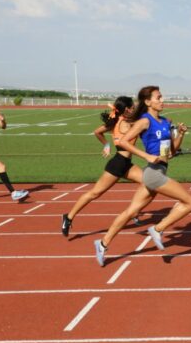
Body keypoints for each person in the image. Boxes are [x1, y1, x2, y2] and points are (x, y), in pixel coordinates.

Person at [94, 85, 191, 267]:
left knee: (131, 212)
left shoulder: (166, 121)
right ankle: (158, 229)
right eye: (158, 98)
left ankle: (102, 243)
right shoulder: (144, 121)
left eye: (162, 97)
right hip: (152, 174)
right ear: (148, 102)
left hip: (159, 170)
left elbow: (172, 152)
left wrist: (180, 135)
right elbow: (124, 142)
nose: (162, 100)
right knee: (190, 202)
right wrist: (146, 155)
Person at [61, 96, 145, 237]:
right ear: (127, 109)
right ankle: (68, 217)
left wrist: (107, 144)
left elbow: (98, 131)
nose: (133, 109)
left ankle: (133, 212)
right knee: (94, 193)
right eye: (131, 107)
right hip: (117, 164)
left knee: (148, 182)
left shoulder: (121, 120)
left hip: (126, 164)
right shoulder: (128, 122)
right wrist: (106, 145)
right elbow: (97, 132)